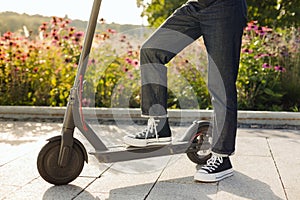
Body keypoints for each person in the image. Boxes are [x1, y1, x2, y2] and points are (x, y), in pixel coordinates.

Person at [123, 0, 247, 182]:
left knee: (220, 82)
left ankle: (222, 157)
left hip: (224, 7)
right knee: (151, 51)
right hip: (197, 5)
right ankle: (159, 127)